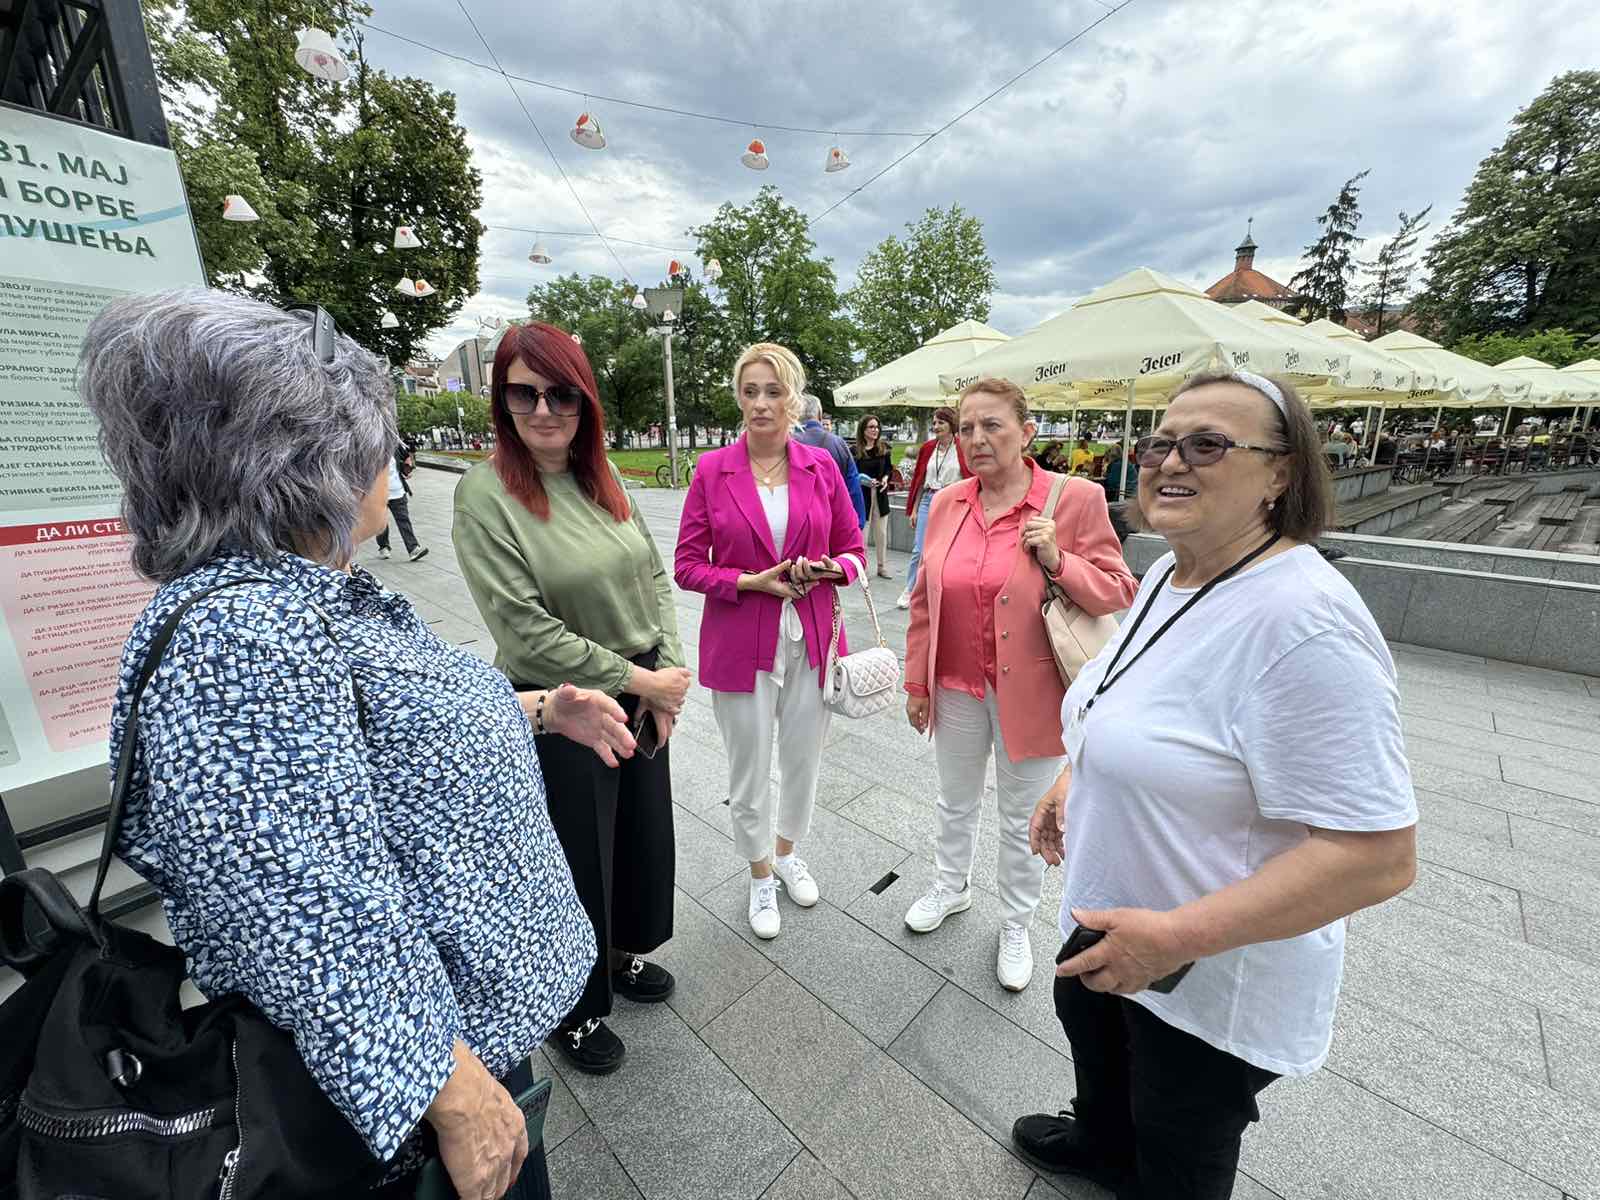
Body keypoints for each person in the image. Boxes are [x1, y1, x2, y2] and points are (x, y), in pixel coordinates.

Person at [81, 289, 637, 1200]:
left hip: (459, 1048)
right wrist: (450, 1092)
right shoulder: (246, 633)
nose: (390, 457)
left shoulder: (294, 600)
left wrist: (537, 710)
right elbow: (305, 907)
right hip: (409, 1118)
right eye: (374, 437)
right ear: (306, 460)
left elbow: (382, 740)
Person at [1013, 369, 1418, 1200]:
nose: (1170, 460)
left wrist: (1174, 939)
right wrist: (1071, 777)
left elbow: (1377, 857)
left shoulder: (1306, 623)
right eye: (1162, 441)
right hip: (1115, 920)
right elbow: (1127, 696)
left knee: (1179, 1144)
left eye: (1208, 444)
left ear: (1282, 473)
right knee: (1102, 1056)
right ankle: (1102, 1144)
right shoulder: (1174, 572)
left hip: (1203, 972)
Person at [453, 321, 689, 1077]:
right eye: (526, 393)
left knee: (636, 840)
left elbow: (654, 575)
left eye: (563, 394)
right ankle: (573, 1007)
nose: (545, 410)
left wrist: (669, 674)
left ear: (586, 402)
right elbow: (522, 630)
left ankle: (617, 955)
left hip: (641, 684)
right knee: (574, 858)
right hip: (563, 703)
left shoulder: (603, 475)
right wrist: (640, 681)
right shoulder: (485, 495)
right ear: (502, 399)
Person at [902, 379, 1136, 991]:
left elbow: (1119, 590)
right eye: (967, 427)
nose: (976, 439)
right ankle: (950, 887)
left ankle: (1015, 921)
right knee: (954, 799)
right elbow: (926, 596)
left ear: (1027, 432)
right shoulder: (949, 501)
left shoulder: (1073, 497)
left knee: (1021, 816)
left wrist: (1060, 560)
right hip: (953, 683)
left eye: (992, 426)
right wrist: (916, 681)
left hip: (1031, 690)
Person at [674, 343, 866, 939]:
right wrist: (747, 581)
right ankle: (759, 874)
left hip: (810, 637)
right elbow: (686, 566)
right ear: (739, 396)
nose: (760, 403)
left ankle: (786, 852)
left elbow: (854, 553)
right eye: (750, 391)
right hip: (741, 640)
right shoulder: (711, 470)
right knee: (749, 764)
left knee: (803, 758)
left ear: (793, 397)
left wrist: (827, 570)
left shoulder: (821, 466)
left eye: (773, 391)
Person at [897, 406, 969, 608]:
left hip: (953, 499)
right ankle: (910, 589)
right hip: (928, 498)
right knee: (919, 549)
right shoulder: (928, 448)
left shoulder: (962, 447)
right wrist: (914, 509)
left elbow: (970, 476)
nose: (936, 426)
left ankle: (944, 587)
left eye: (941, 422)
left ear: (951, 425)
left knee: (951, 547)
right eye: (934, 422)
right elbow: (919, 480)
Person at [795, 392, 867, 528]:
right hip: (834, 524)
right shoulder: (839, 444)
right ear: (820, 416)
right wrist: (858, 524)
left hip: (797, 525)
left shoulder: (785, 443)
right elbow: (853, 487)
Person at [853, 414, 895, 578]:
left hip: (880, 495)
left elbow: (888, 469)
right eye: (871, 427)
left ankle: (881, 566)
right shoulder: (854, 451)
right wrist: (862, 480)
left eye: (877, 427)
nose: (875, 430)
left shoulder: (884, 448)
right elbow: (850, 474)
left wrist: (885, 479)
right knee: (862, 534)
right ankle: (861, 567)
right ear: (863, 430)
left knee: (881, 533)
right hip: (863, 496)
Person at [375, 450, 429, 561]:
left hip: (397, 491)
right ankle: (383, 546)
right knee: (381, 521)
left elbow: (406, 457)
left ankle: (413, 549)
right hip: (379, 493)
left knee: (404, 520)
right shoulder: (368, 447)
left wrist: (407, 468)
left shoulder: (394, 446)